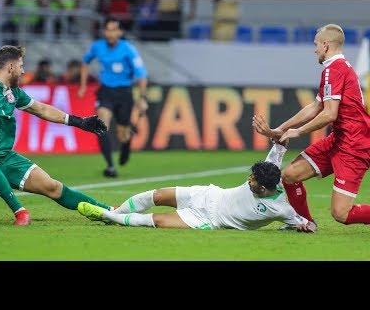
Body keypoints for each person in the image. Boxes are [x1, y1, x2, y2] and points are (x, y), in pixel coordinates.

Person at [0, 45, 111, 226]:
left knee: (52, 187)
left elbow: (41, 109)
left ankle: (108, 211)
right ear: (10, 67)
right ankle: (20, 212)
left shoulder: (12, 92)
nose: (23, 71)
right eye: (21, 66)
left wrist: (79, 122)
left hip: (5, 157)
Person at [252, 23, 370, 232]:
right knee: (289, 175)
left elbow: (329, 113)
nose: (314, 49)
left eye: (316, 44)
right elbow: (315, 107)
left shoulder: (334, 70)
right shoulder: (335, 69)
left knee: (341, 214)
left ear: (325, 45)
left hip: (354, 145)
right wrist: (282, 128)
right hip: (340, 139)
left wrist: (297, 132)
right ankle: (305, 222)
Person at [77, 138, 316, 233]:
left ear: (263, 188)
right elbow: (278, 150)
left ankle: (108, 215)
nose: (248, 180)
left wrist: (303, 227)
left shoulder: (281, 209)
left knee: (158, 220)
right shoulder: (268, 172)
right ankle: (114, 213)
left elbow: (306, 225)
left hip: (210, 220)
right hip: (207, 195)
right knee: (158, 195)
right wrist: (281, 138)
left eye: (252, 181)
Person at [78, 15, 148, 178]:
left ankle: (126, 142)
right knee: (101, 125)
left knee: (122, 134)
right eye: (108, 30)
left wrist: (143, 97)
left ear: (120, 32)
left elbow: (141, 75)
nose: (110, 34)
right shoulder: (97, 47)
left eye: (113, 30)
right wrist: (83, 85)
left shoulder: (128, 49)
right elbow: (85, 62)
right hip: (106, 91)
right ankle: (110, 166)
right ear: (104, 32)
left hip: (124, 93)